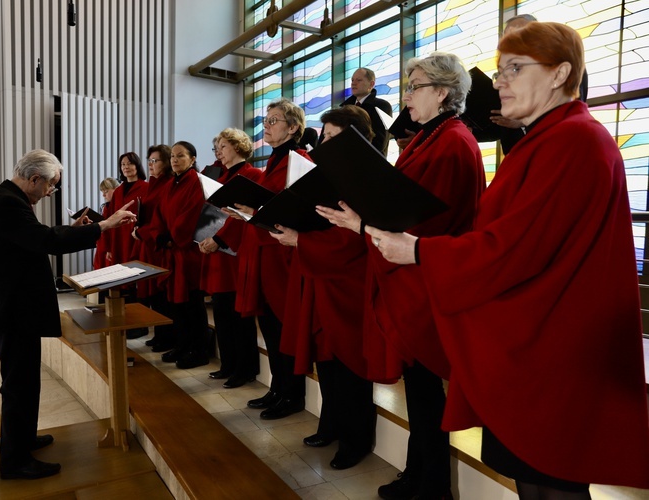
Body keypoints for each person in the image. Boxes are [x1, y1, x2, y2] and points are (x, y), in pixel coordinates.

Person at [362, 22, 649, 497]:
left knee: (551, 480)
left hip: (551, 343)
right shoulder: (541, 138)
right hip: (527, 335)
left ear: (560, 74)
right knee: (530, 476)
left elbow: (514, 246)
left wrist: (417, 249)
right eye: (499, 71)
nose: (498, 82)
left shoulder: (575, 139)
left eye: (514, 69)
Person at [317, 52, 485, 499]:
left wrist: (363, 224)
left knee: (428, 394)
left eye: (415, 86)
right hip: (409, 283)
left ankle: (431, 486)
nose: (407, 96)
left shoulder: (452, 142)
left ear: (443, 93)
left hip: (424, 285)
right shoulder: (431, 138)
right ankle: (418, 475)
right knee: (421, 393)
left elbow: (427, 225)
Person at [0, 149, 137, 480]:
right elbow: (46, 241)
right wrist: (102, 226)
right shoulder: (7, 203)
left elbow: (33, 239)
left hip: (15, 309)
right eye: (51, 185)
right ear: (34, 179)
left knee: (25, 381)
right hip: (13, 311)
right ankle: (15, 461)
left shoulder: (7, 199)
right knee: (19, 384)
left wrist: (73, 228)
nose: (51, 191)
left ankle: (22, 439)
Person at [273, 105, 377, 470]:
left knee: (351, 367)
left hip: (349, 282)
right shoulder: (332, 173)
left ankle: (356, 439)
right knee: (328, 362)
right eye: (324, 135)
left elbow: (354, 239)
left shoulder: (369, 176)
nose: (323, 142)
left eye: (332, 136)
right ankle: (331, 425)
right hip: (322, 278)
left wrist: (303, 240)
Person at [230, 98, 308, 420]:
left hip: (282, 255)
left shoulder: (299, 160)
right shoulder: (272, 163)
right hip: (263, 253)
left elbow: (294, 208)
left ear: (292, 127)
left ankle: (292, 394)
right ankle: (277, 387)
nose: (267, 125)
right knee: (271, 327)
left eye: (274, 120)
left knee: (283, 326)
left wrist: (256, 211)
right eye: (266, 119)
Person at [199, 128, 261, 388]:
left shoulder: (253, 174)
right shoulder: (220, 176)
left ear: (237, 146)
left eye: (223, 146)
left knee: (239, 314)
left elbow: (243, 217)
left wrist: (219, 240)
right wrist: (202, 237)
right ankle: (228, 364)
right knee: (222, 310)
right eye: (217, 148)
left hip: (236, 252)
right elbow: (212, 214)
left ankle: (244, 368)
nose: (219, 152)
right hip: (217, 251)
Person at [145, 141, 209, 369]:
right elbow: (159, 213)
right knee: (176, 304)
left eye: (180, 156)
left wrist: (173, 237)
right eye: (172, 156)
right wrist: (159, 235)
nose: (174, 160)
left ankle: (199, 350)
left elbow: (193, 212)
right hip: (172, 252)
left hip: (188, 252)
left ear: (192, 159)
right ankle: (183, 345)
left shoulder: (196, 182)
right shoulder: (172, 183)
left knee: (192, 303)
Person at [489, 14, 589, 154]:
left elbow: (570, 106)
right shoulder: (507, 75)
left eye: (519, 34)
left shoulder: (580, 137)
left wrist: (522, 122)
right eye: (506, 36)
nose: (498, 84)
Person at [132, 145, 175, 352]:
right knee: (154, 295)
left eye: (155, 161)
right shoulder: (153, 184)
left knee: (162, 294)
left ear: (166, 163)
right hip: (149, 244)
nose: (150, 164)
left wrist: (142, 232)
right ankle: (159, 334)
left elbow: (163, 219)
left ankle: (167, 337)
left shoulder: (168, 184)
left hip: (160, 245)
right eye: (149, 160)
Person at [105, 152, 150, 338]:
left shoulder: (146, 188)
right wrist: (109, 247)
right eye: (123, 164)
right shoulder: (118, 191)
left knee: (138, 283)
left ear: (137, 166)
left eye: (130, 164)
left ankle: (141, 325)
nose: (126, 167)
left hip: (136, 239)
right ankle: (129, 324)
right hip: (119, 241)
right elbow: (110, 219)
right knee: (124, 285)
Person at [341, 67, 393, 155]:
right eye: (352, 80)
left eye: (359, 80)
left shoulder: (382, 106)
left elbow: (380, 142)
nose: (353, 83)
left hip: (372, 162)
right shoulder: (344, 109)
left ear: (371, 84)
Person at [93, 177, 120, 269]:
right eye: (102, 192)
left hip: (109, 246)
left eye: (106, 191)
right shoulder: (105, 207)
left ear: (115, 189)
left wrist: (109, 248)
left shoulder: (117, 207)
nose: (103, 195)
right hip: (103, 244)